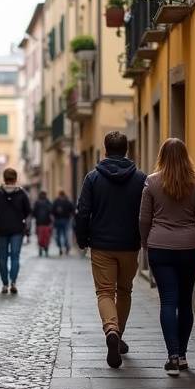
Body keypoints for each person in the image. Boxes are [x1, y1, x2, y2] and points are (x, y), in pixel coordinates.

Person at [140, 138, 195, 377]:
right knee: (184, 303)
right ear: (185, 155)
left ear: (161, 155)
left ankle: (172, 356)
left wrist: (145, 244)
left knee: (168, 302)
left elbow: (144, 219)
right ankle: (182, 355)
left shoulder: (151, 182)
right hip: (189, 248)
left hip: (160, 247)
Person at [75, 131, 147, 369]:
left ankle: (111, 331)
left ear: (105, 150)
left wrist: (82, 237)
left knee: (105, 292)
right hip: (130, 244)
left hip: (102, 245)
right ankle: (118, 335)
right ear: (127, 150)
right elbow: (146, 214)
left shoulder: (92, 178)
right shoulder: (140, 179)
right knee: (125, 291)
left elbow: (83, 211)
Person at [0, 168, 31, 294]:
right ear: (15, 179)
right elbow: (28, 211)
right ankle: (13, 282)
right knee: (15, 257)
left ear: (4, 178)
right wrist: (22, 221)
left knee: (2, 257)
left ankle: (4, 284)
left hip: (0, 229)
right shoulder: (21, 193)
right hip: (17, 229)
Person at [52, 190, 75, 256]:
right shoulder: (67, 201)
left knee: (59, 235)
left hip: (58, 220)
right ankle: (66, 248)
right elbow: (73, 210)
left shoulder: (56, 201)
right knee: (65, 235)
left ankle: (60, 248)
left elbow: (52, 211)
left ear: (59, 195)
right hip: (66, 220)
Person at [32, 191, 54, 256]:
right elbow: (52, 211)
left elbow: (34, 212)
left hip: (39, 223)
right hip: (47, 223)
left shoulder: (37, 202)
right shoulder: (48, 202)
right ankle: (46, 248)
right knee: (46, 237)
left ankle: (40, 248)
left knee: (40, 237)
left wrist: (36, 217)